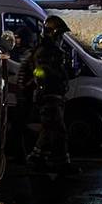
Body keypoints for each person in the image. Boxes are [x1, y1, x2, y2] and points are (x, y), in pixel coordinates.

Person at [19, 14, 72, 171]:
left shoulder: (52, 51)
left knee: (49, 129)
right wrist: (55, 76)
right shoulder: (44, 52)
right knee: (58, 130)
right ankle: (60, 163)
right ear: (52, 34)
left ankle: (36, 158)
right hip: (48, 96)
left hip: (52, 95)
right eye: (59, 35)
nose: (61, 38)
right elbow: (41, 73)